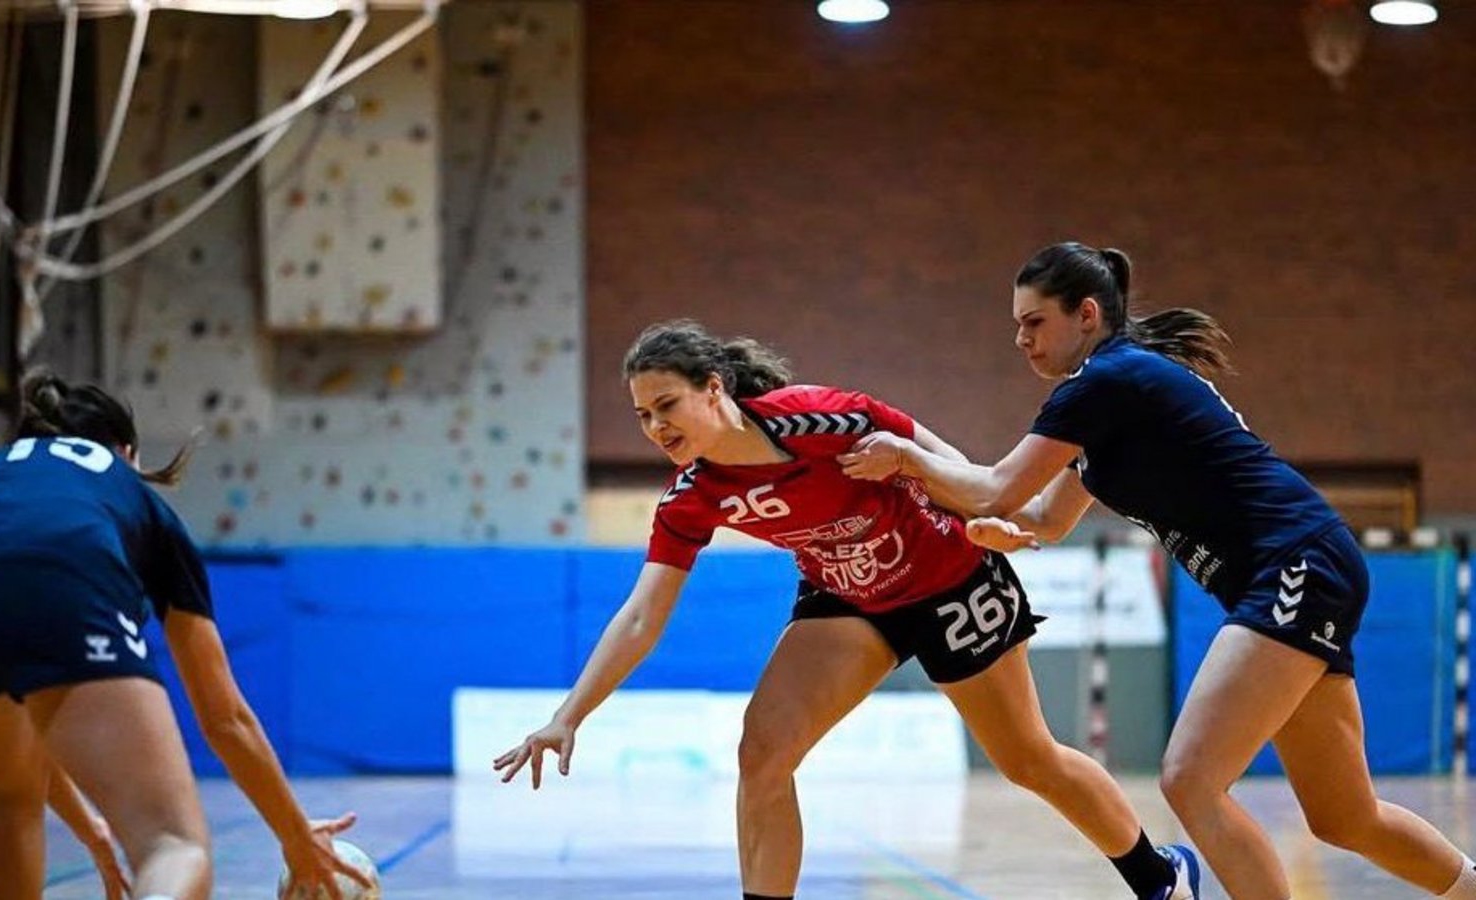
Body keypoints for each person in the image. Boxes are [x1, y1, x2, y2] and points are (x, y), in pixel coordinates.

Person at [839, 241, 1476, 899]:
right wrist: (1000, 528)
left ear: (1086, 314)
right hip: (1306, 569)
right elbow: (1043, 516)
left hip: (1295, 564)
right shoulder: (1108, 401)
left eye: (1035, 322)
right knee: (1346, 815)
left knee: (1189, 778)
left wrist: (910, 459)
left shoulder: (1105, 381)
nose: (1022, 340)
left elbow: (998, 485)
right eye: (1016, 326)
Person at [494, 320, 1198, 900]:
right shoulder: (693, 496)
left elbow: (933, 453)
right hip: (846, 596)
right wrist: (568, 716)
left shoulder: (817, 418)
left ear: (713, 390)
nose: (654, 426)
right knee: (762, 753)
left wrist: (992, 507)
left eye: (667, 405)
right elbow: (643, 615)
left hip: (951, 577)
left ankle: (1160, 875)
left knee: (1028, 761)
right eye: (642, 414)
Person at [0, 372, 370, 900]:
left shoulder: (0, 472)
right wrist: (296, 837)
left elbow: (38, 739)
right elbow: (224, 718)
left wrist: (90, 827)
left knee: (9, 792)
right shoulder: (134, 499)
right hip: (56, 566)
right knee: (173, 845)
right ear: (128, 453)